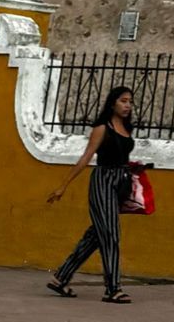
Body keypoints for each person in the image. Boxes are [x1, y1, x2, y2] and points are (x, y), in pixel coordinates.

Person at [46, 85, 139, 304]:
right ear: (113, 103)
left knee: (96, 235)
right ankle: (113, 289)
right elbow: (87, 157)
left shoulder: (127, 127)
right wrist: (63, 186)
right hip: (103, 181)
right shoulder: (102, 128)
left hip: (120, 182)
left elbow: (121, 155)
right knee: (111, 234)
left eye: (130, 101)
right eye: (123, 101)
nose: (127, 105)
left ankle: (61, 278)